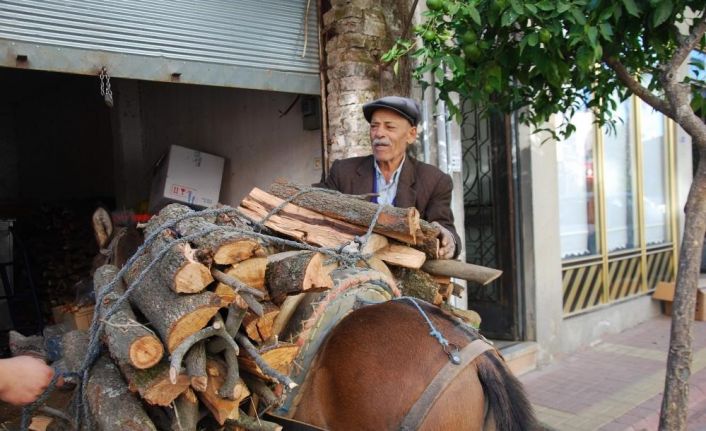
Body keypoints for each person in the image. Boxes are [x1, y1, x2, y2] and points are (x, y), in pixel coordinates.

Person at [320, 96, 461, 259]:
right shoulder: (343, 172)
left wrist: (448, 238)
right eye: (374, 126)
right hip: (349, 269)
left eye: (389, 127)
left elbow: (445, 229)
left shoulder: (435, 181)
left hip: (407, 275)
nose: (379, 133)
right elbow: (314, 206)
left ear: (411, 135)